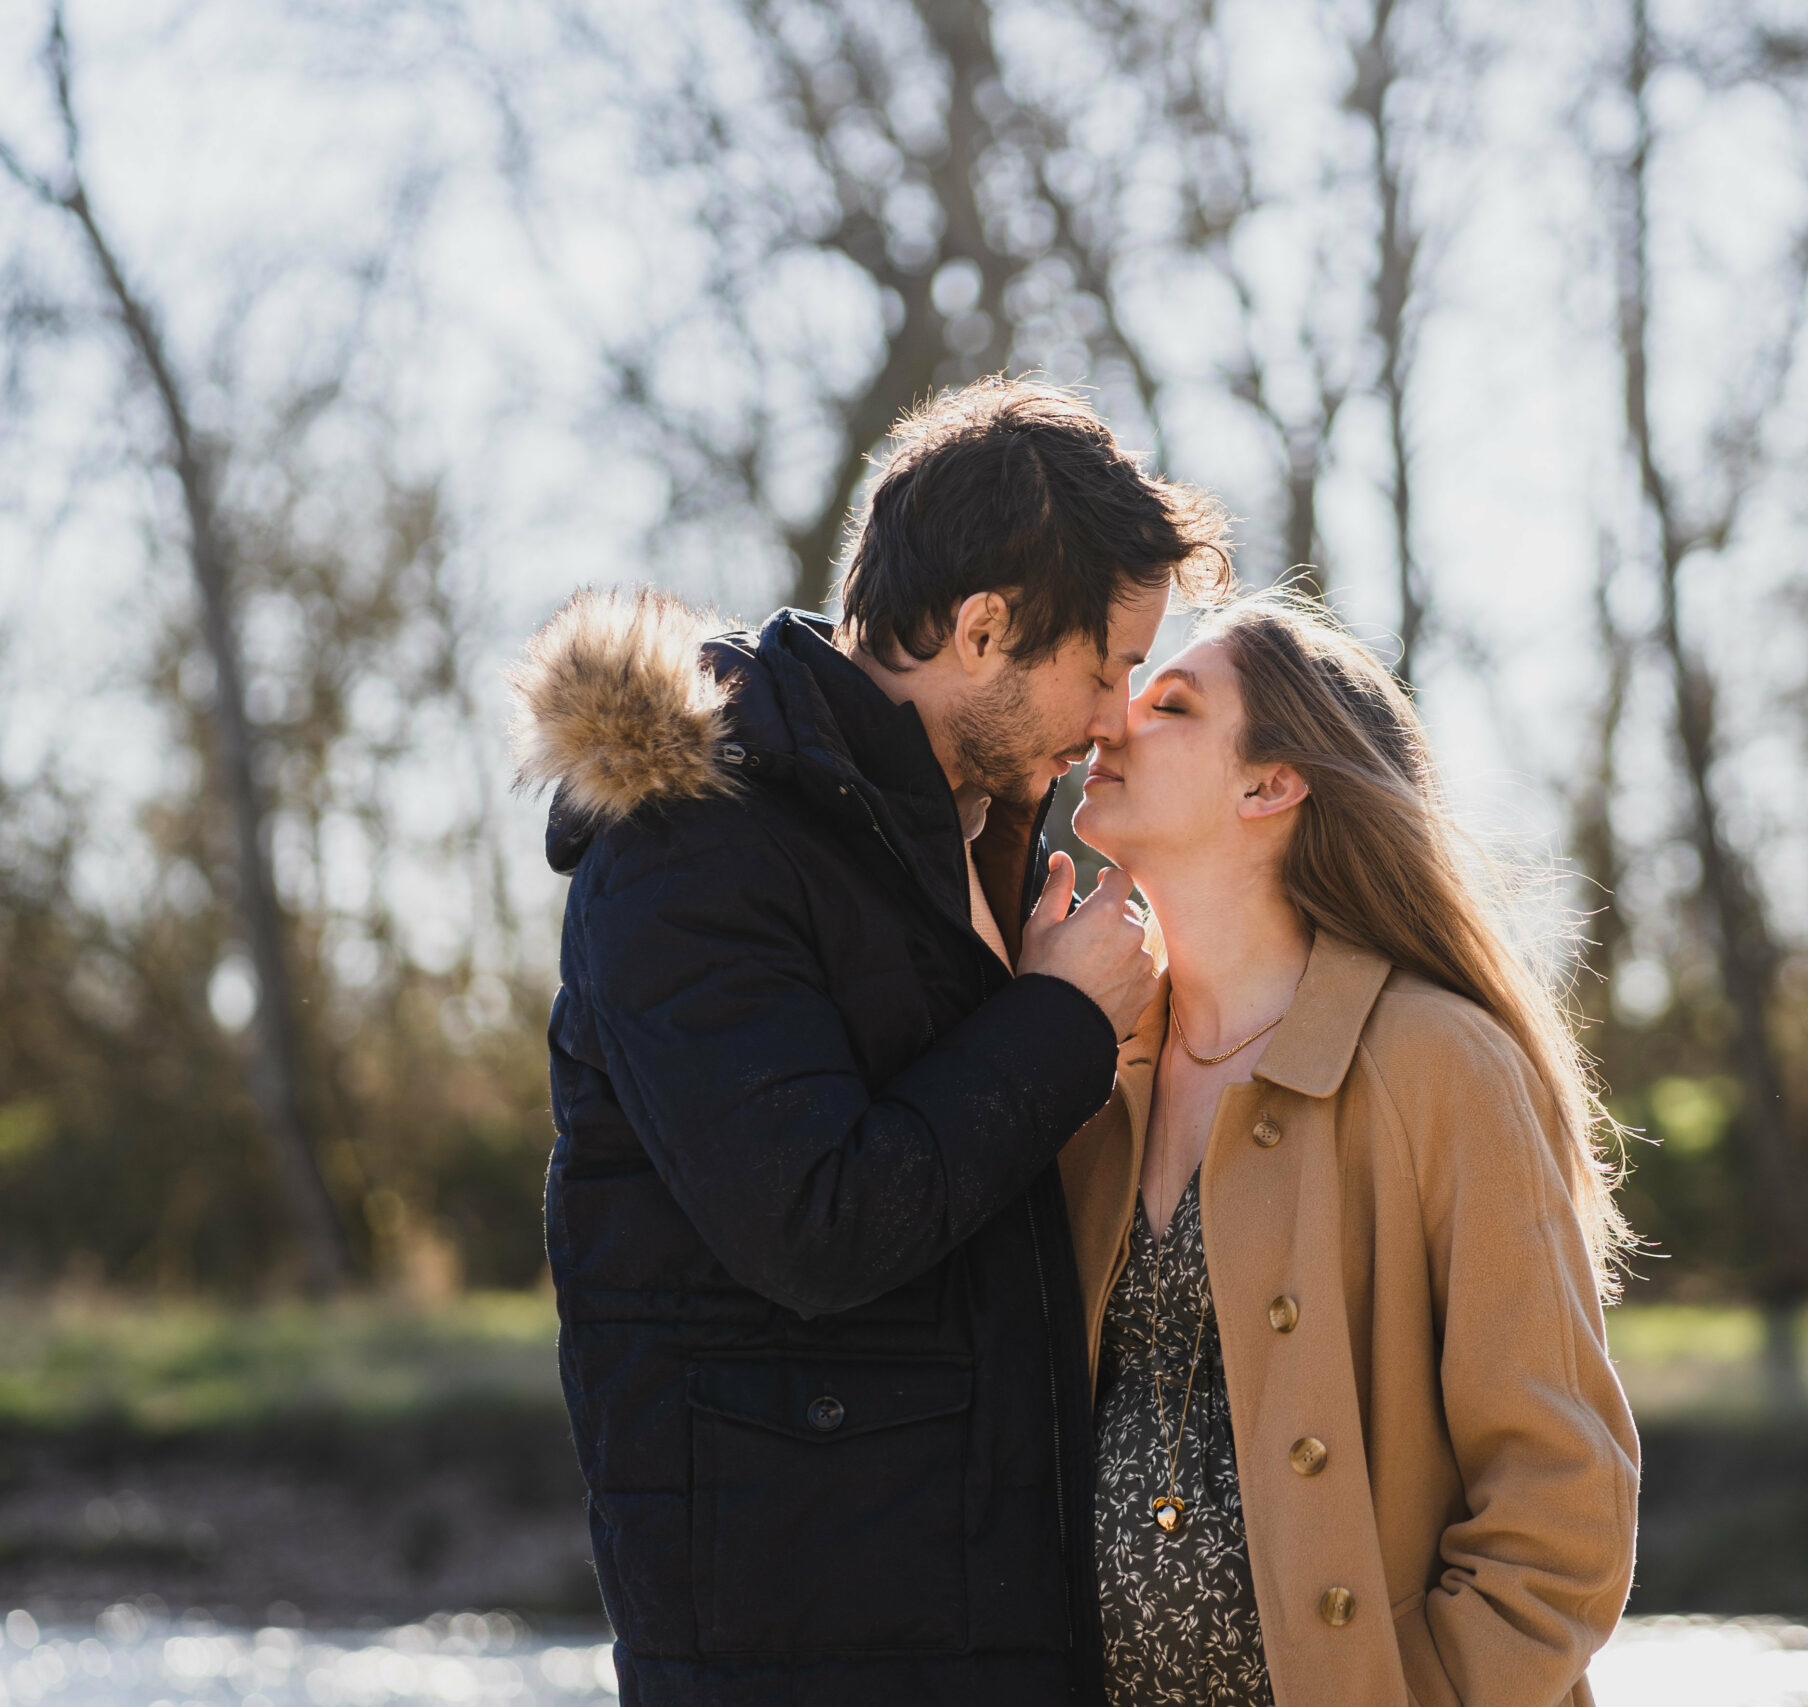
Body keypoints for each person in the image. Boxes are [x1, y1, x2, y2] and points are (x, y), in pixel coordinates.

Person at [509, 377, 1232, 1707]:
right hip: (802, 1657)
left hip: (966, 1633)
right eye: (1110, 664)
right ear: (982, 626)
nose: (1122, 711)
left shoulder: (969, 842)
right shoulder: (691, 843)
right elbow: (815, 1219)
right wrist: (1060, 1020)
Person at [1057, 589, 1642, 1707]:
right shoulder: (1089, 1063)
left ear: (1270, 785)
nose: (1111, 719)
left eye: (1171, 704)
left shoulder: (1438, 1062)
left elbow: (1559, 1502)